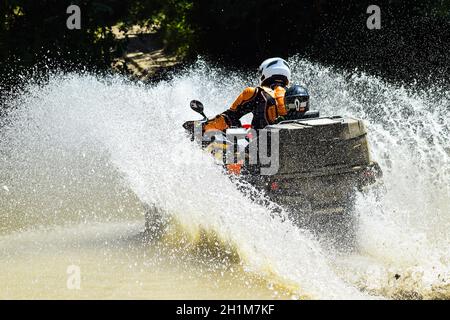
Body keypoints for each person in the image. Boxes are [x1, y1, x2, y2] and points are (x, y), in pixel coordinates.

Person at [203, 57, 291, 132]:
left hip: (261, 148)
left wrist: (203, 127)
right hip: (291, 145)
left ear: (265, 73)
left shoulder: (256, 93)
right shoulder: (295, 94)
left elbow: (228, 118)